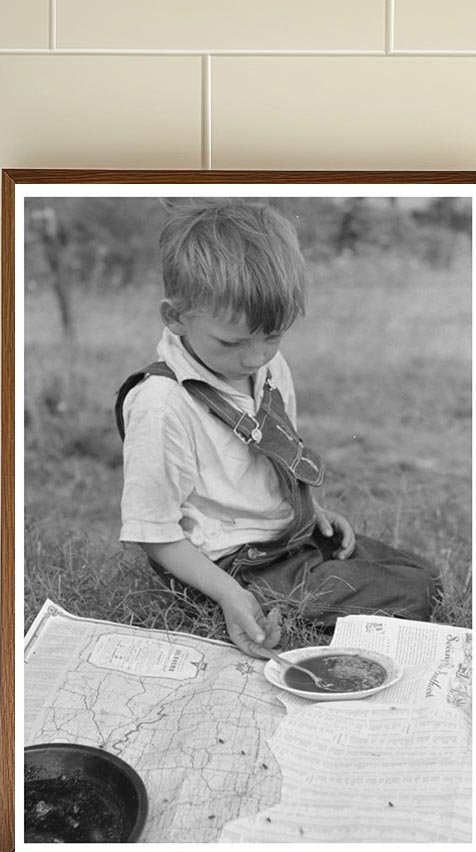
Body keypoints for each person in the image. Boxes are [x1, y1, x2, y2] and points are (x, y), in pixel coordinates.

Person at [115, 199, 439, 657]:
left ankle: (309, 590)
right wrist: (228, 593)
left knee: (422, 575)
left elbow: (277, 455)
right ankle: (258, 608)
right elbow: (154, 534)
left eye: (271, 336)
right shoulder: (161, 403)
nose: (253, 357)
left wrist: (312, 511)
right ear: (175, 317)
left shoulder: (268, 369)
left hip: (285, 541)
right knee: (411, 595)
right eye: (232, 341)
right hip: (230, 564)